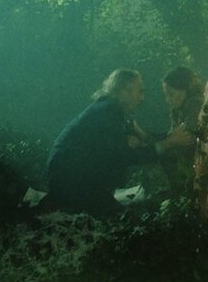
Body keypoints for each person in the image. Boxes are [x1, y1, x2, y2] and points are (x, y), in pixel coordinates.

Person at [45, 69, 192, 215]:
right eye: (139, 91)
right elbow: (123, 156)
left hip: (69, 178)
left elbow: (123, 148)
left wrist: (168, 138)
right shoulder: (109, 113)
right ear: (124, 91)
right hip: (71, 181)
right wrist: (168, 143)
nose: (142, 98)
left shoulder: (107, 110)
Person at [158, 66, 204, 194]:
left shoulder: (196, 105)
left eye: (171, 94)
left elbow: (187, 138)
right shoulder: (177, 110)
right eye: (166, 95)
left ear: (186, 88)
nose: (168, 99)